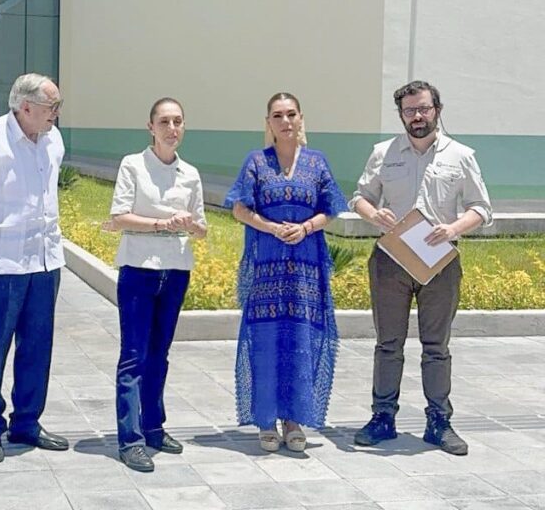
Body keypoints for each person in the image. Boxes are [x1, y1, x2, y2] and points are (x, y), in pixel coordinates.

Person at [350, 80, 493, 455]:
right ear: (401, 115)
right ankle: (382, 417)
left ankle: (439, 422)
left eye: (424, 109)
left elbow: (481, 208)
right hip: (391, 261)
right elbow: (360, 197)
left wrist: (453, 228)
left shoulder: (460, 155)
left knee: (436, 347)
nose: (417, 116)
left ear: (437, 110)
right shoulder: (384, 152)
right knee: (388, 344)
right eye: (410, 110)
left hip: (440, 262)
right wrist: (372, 213)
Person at [223, 92, 347, 453]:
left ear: (301, 118)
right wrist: (273, 228)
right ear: (269, 123)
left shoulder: (317, 162)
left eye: (291, 114)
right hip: (267, 268)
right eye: (277, 115)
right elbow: (239, 209)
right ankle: (266, 419)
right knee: (265, 341)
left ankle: (293, 419)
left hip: (306, 270)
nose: (285, 121)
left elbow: (332, 208)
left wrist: (306, 227)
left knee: (300, 340)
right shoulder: (256, 162)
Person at [0, 73, 69, 463]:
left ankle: (27, 422)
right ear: (26, 107)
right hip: (2, 263)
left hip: (46, 259)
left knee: (38, 345)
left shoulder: (53, 139)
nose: (56, 113)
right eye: (52, 106)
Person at [103, 97, 207, 472]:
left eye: (178, 121)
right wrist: (163, 224)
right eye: (164, 121)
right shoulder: (133, 165)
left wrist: (192, 227)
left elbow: (202, 225)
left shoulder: (190, 173)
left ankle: (153, 426)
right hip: (139, 268)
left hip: (176, 270)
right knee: (133, 355)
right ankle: (129, 439)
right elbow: (119, 216)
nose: (172, 128)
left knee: (159, 355)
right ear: (150, 127)